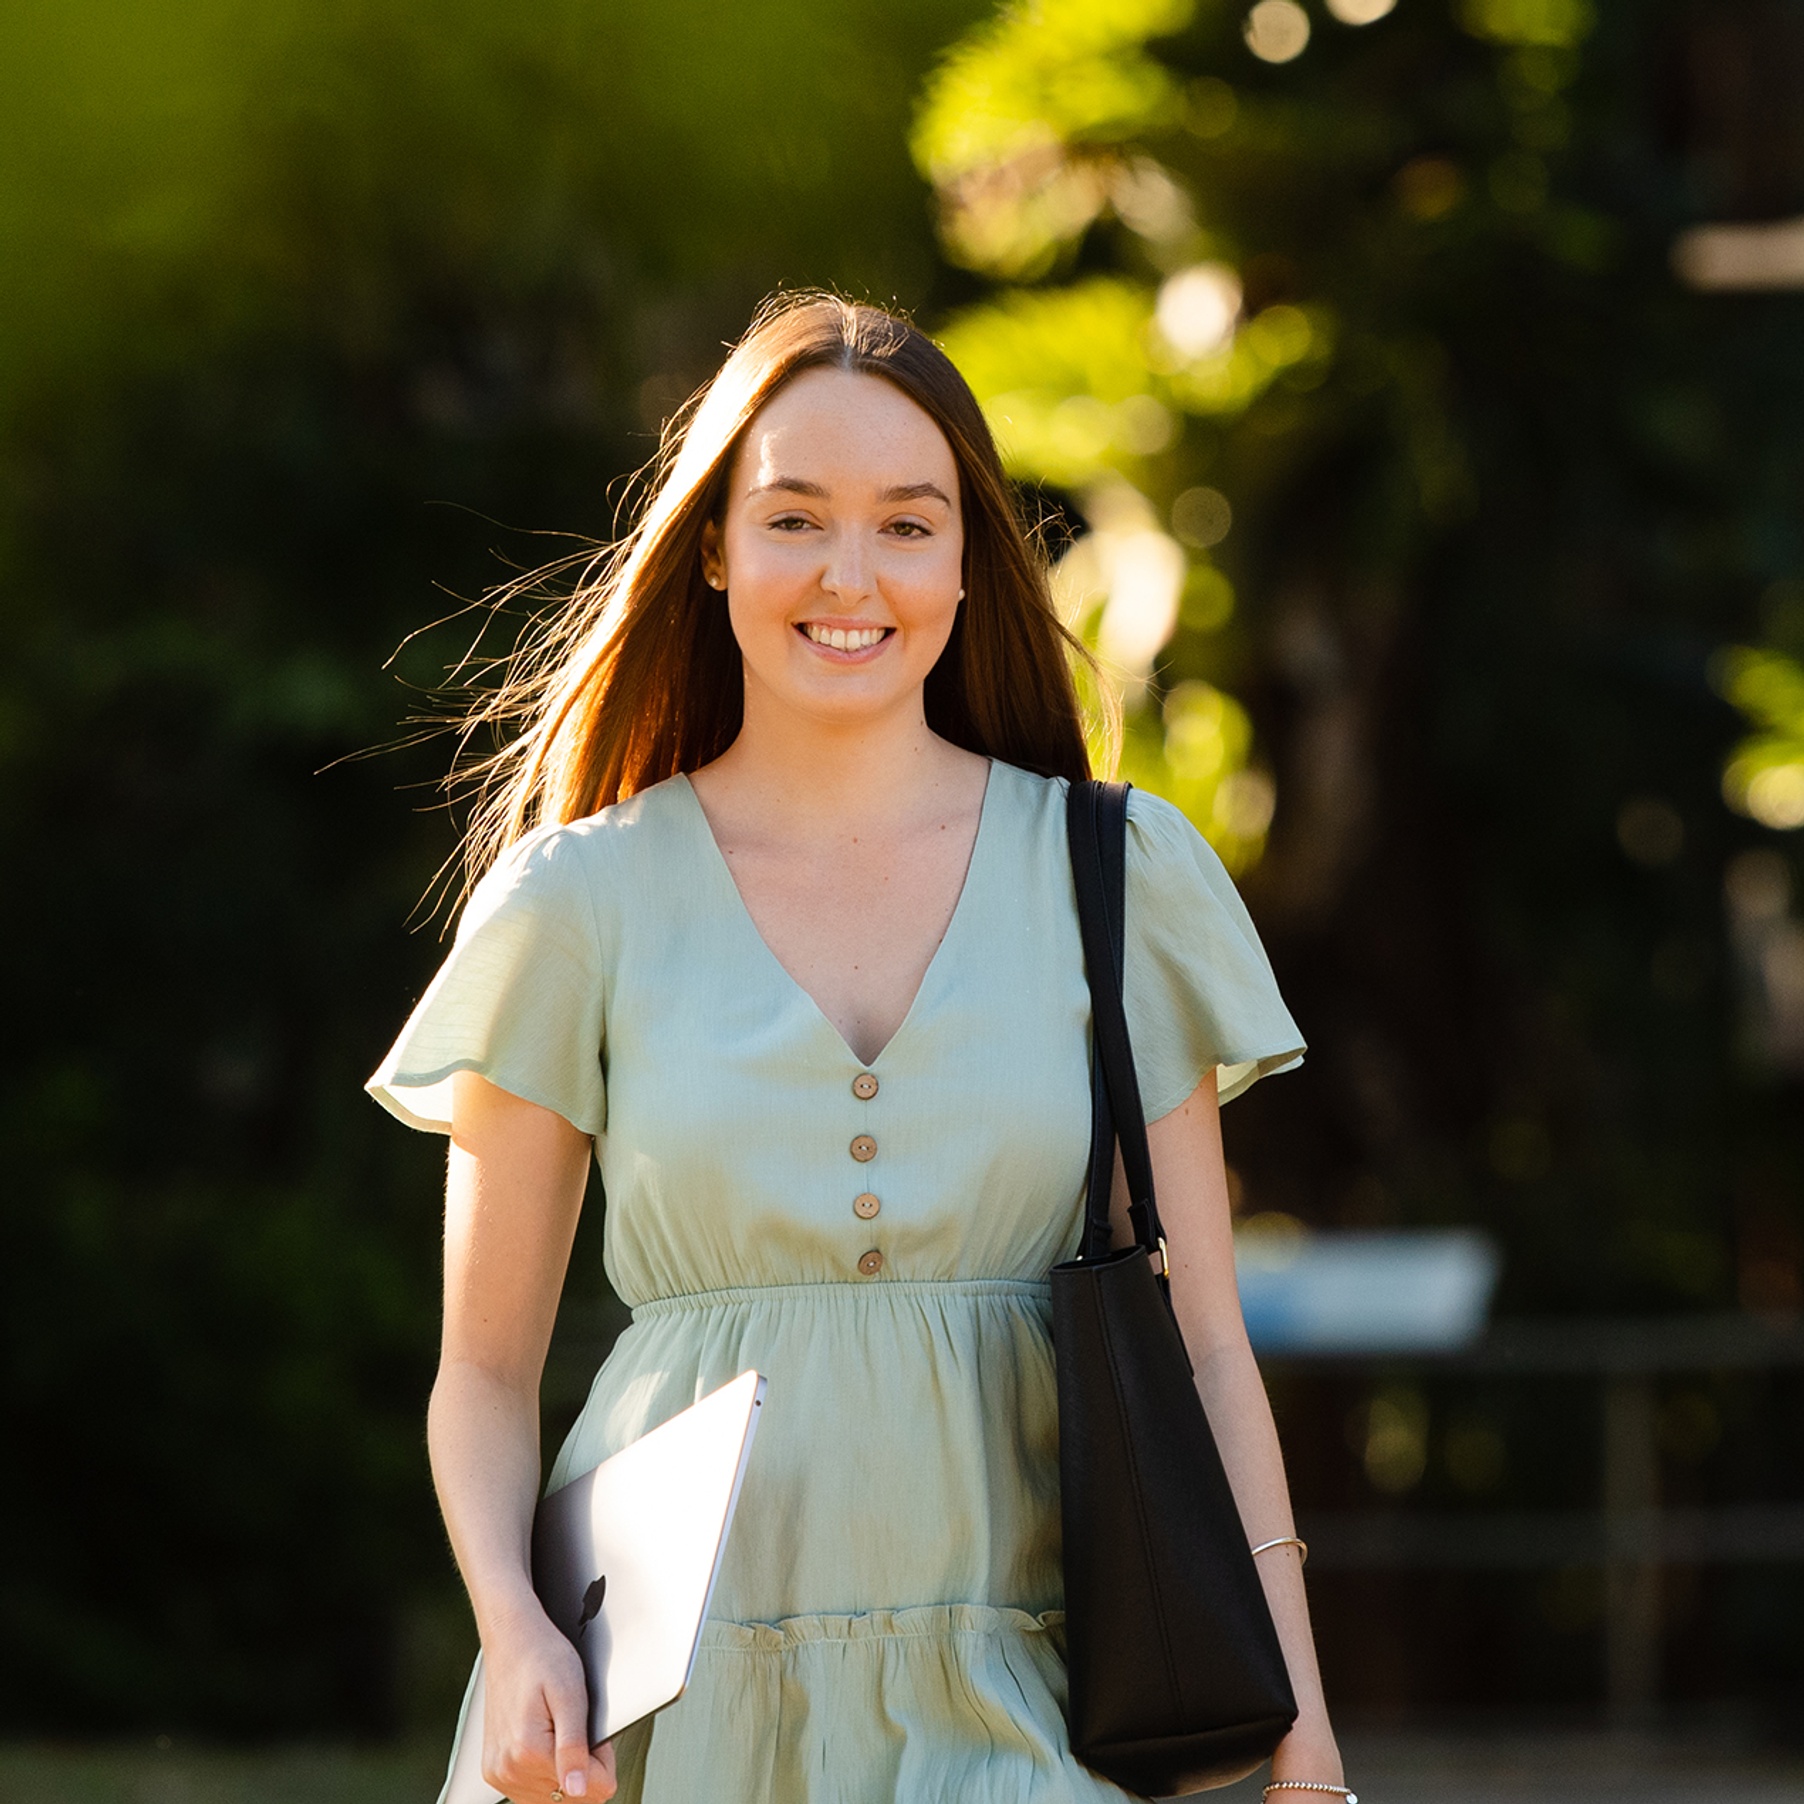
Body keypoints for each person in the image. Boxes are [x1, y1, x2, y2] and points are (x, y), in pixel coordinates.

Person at [368, 292, 1346, 1804]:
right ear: (712, 549)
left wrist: (1303, 1731)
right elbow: (483, 1377)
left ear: (967, 563)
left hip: (1041, 1685)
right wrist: (514, 1634)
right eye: (795, 519)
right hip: (665, 1706)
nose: (851, 575)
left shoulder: (1119, 875)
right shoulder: (581, 901)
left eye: (908, 524)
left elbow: (1209, 1343)